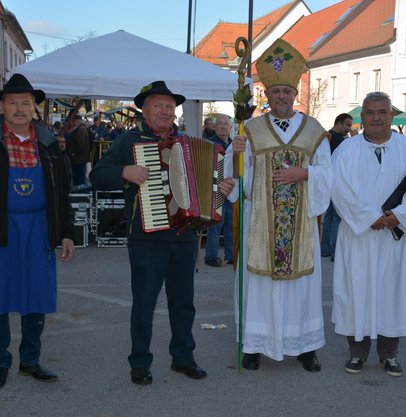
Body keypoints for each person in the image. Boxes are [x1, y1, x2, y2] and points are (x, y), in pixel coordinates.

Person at [0, 73, 75, 390]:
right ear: (2, 106)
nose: (20, 108)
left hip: (39, 227)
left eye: (26, 103)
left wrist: (66, 232)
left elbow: (63, 193)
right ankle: (0, 362)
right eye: (12, 102)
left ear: (34, 107)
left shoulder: (49, 144)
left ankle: (30, 361)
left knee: (36, 296)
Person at [220, 38, 332, 372]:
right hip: (261, 225)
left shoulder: (314, 131)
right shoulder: (249, 130)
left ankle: (305, 346)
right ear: (265, 95)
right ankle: (253, 345)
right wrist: (236, 156)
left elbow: (329, 174)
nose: (280, 97)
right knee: (259, 286)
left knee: (301, 287)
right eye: (274, 92)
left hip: (300, 228)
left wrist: (305, 172)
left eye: (286, 91)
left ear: (295, 94)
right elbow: (234, 179)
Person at [90, 80, 207, 385]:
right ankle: (140, 362)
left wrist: (218, 190)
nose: (166, 111)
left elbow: (204, 187)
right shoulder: (128, 142)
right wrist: (123, 171)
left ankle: (183, 357)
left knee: (184, 302)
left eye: (170, 106)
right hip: (146, 237)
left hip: (183, 235)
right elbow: (97, 176)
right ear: (144, 110)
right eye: (158, 105)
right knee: (144, 302)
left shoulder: (187, 143)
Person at [330, 92, 406, 378]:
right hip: (359, 235)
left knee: (391, 292)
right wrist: (369, 216)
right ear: (362, 117)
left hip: (394, 235)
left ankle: (389, 354)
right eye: (370, 112)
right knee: (356, 290)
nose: (375, 117)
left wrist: (399, 215)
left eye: (382, 112)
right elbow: (339, 188)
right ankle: (357, 353)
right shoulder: (346, 151)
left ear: (391, 115)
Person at [321, 113, 353, 259]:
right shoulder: (341, 140)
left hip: (327, 180)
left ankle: (325, 248)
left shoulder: (326, 136)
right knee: (336, 217)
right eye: (347, 125)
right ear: (339, 123)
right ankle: (335, 251)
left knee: (328, 217)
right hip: (337, 182)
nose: (349, 128)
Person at [204, 113, 234, 267]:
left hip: (232, 189)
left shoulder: (235, 145)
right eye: (220, 124)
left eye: (226, 124)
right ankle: (211, 256)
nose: (223, 126)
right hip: (215, 189)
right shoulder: (208, 144)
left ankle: (231, 255)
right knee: (214, 226)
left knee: (231, 224)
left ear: (230, 127)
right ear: (214, 127)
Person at [66, 115, 91, 186]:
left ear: (76, 121)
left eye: (73, 121)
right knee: (79, 178)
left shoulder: (81, 130)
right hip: (79, 159)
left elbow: (79, 144)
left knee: (79, 179)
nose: (72, 123)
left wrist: (73, 153)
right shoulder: (80, 129)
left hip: (78, 159)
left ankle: (80, 194)